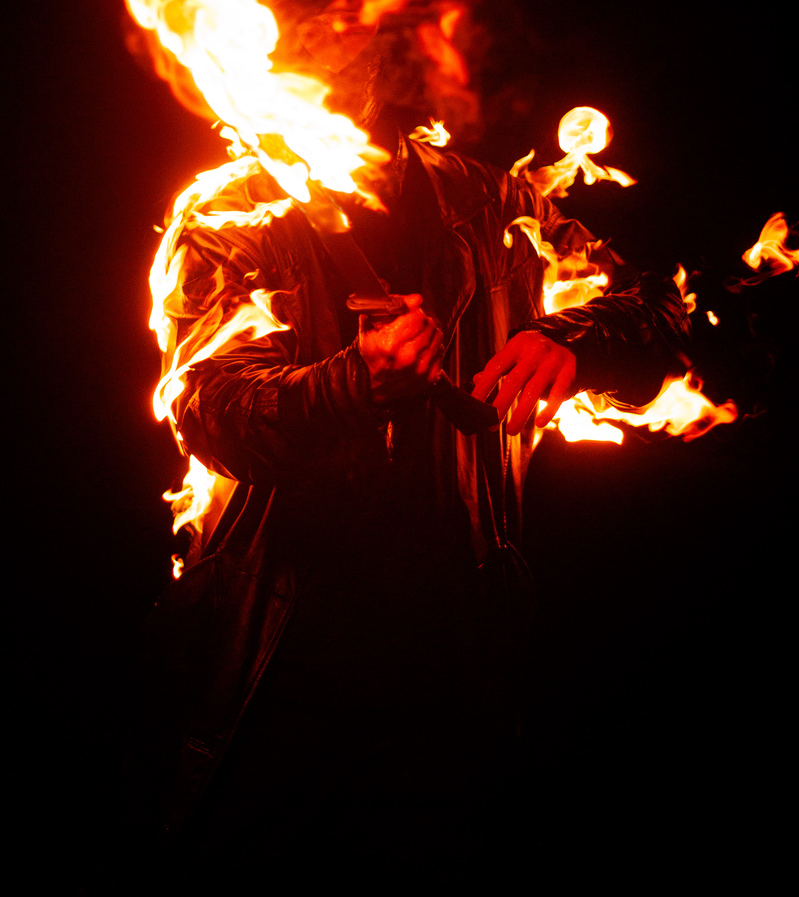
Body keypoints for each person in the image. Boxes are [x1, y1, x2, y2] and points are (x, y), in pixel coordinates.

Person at [131, 98, 688, 886]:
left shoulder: (492, 199)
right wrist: (351, 384)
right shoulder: (231, 210)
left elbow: (659, 306)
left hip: (452, 668)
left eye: (363, 36)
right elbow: (207, 410)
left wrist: (572, 335)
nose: (337, 49)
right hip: (274, 666)